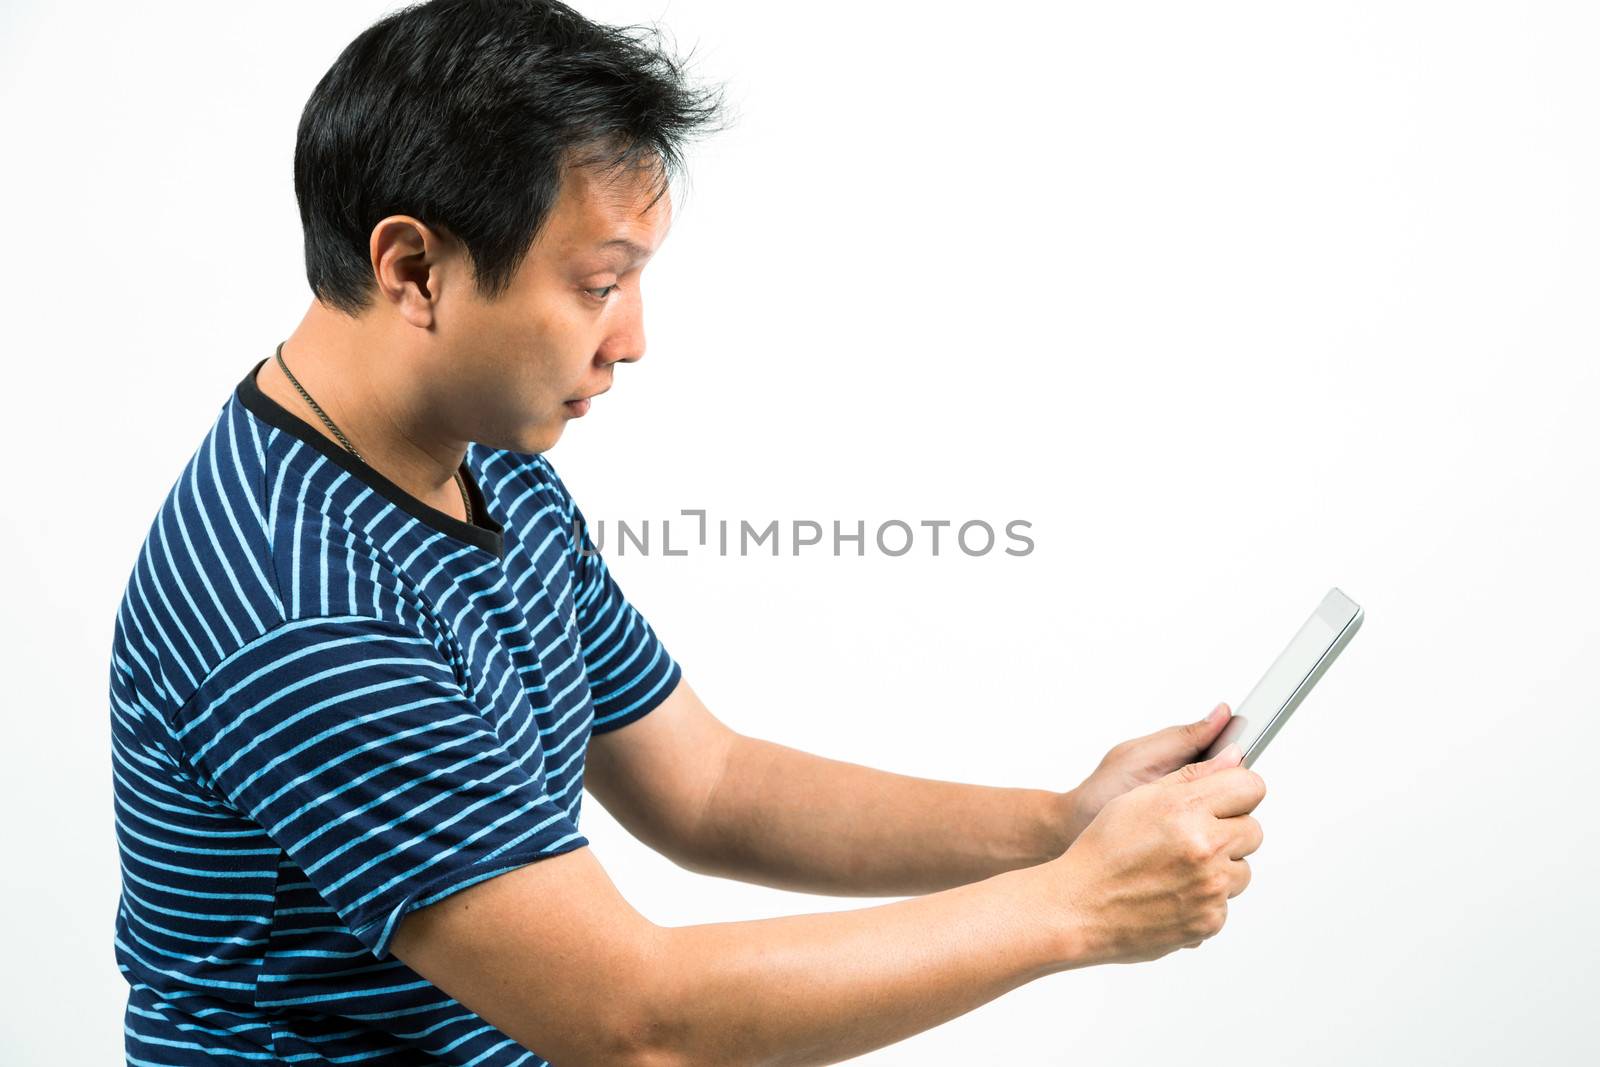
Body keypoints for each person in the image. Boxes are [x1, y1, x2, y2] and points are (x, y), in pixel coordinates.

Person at [106, 1, 1267, 1063]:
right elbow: (631, 1019)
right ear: (415, 268)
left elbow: (706, 785)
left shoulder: (488, 465)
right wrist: (1074, 908)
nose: (632, 340)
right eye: (599, 283)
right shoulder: (298, 603)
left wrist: (1060, 828)